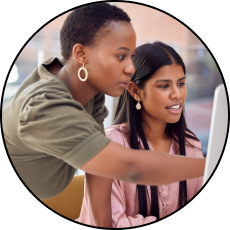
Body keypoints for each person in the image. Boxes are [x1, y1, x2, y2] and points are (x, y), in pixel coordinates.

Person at [2, 3, 205, 225]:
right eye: (120, 56)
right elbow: (130, 168)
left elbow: (99, 172)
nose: (130, 68)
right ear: (81, 54)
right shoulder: (45, 106)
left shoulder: (88, 91)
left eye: (131, 56)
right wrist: (209, 164)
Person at [77, 42, 204, 227]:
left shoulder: (191, 145)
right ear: (136, 91)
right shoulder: (109, 146)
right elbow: (112, 223)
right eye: (164, 86)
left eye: (181, 83)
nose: (177, 94)